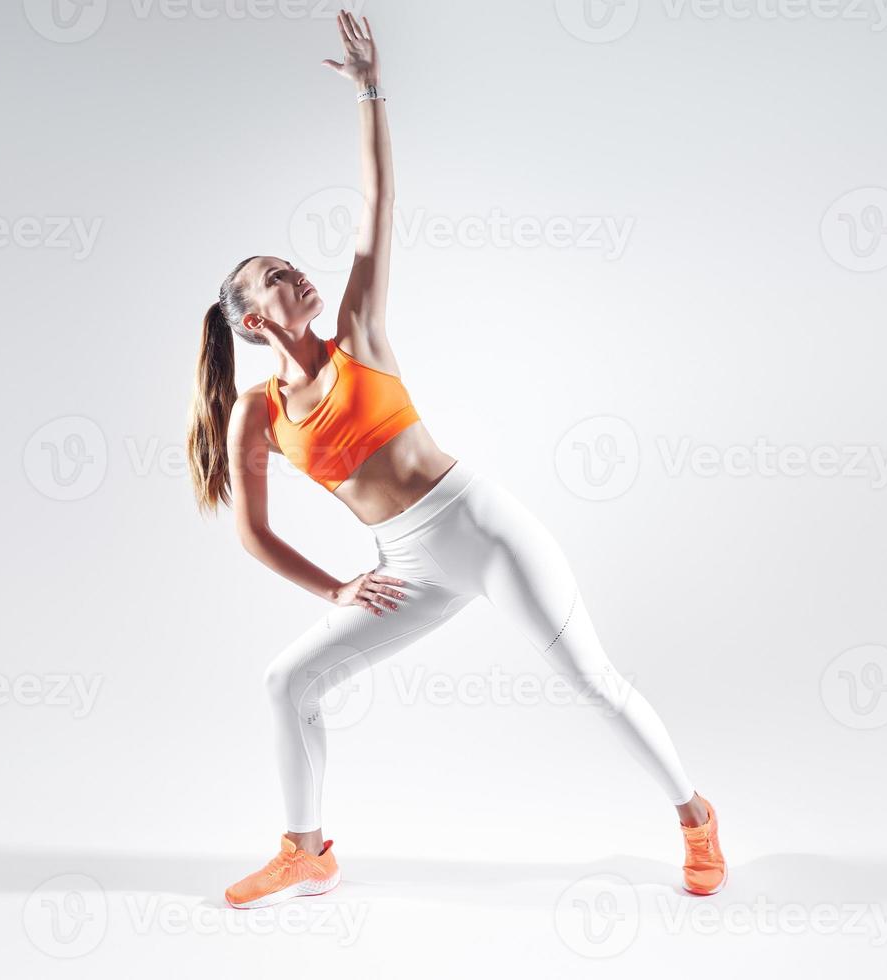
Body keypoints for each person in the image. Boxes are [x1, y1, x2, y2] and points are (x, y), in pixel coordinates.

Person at [185, 10, 726, 911]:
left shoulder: (358, 335)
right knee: (288, 681)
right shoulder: (257, 412)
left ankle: (696, 817)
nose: (295, 276)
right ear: (251, 321)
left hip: (481, 528)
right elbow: (253, 535)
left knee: (591, 680)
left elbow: (377, 206)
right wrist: (334, 590)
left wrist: (370, 90)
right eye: (274, 276)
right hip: (407, 569)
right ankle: (306, 851)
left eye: (290, 264)